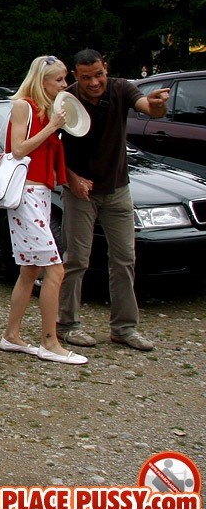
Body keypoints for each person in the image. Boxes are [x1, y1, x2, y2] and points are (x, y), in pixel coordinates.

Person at [59, 49, 170, 352]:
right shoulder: (66, 100)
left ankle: (124, 329)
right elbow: (50, 148)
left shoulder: (121, 88)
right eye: (86, 77)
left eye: (98, 74)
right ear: (74, 75)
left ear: (105, 68)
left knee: (124, 260)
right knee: (76, 260)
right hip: (80, 192)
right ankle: (67, 325)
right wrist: (71, 178)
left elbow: (147, 106)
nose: (94, 82)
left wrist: (158, 106)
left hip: (118, 189)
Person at [0, 55, 86, 365]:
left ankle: (11, 335)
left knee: (30, 270)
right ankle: (50, 341)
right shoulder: (24, 105)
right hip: (26, 194)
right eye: (59, 80)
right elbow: (18, 148)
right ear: (42, 80)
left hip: (41, 192)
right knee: (55, 269)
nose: (64, 85)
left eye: (65, 79)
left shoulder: (49, 108)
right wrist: (51, 127)